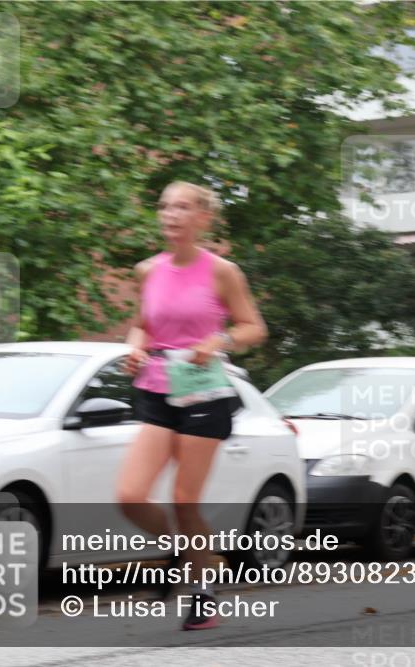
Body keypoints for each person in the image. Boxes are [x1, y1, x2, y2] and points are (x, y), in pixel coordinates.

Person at [116, 181, 268, 630]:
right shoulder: (148, 270)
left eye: (182, 208)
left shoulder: (222, 272)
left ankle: (204, 592)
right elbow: (142, 326)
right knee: (128, 497)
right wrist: (134, 348)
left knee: (185, 502)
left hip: (203, 392)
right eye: (165, 207)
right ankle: (194, 554)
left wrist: (218, 340)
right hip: (156, 389)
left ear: (203, 218)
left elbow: (253, 328)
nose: (171, 215)